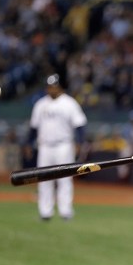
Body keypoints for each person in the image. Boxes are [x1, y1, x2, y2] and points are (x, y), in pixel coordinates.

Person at [24, 74, 87, 221]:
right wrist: (28, 143)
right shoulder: (41, 104)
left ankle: (66, 211)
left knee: (64, 179)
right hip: (45, 146)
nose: (51, 89)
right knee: (44, 178)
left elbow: (80, 125)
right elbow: (33, 127)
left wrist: (79, 143)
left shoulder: (69, 103)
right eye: (49, 86)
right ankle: (45, 212)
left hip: (63, 145)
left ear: (60, 86)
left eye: (54, 86)